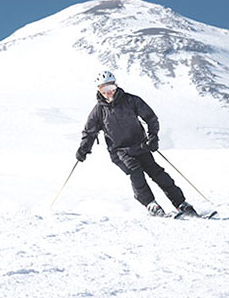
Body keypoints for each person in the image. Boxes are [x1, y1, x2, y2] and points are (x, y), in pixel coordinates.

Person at [76, 70, 201, 218]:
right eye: (103, 89)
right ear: (99, 90)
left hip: (141, 146)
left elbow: (151, 118)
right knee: (135, 171)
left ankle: (181, 203)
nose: (108, 92)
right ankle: (151, 204)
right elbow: (89, 132)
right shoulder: (98, 111)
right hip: (119, 151)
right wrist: (83, 149)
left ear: (116, 85)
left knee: (158, 174)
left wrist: (153, 137)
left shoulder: (131, 101)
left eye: (110, 88)